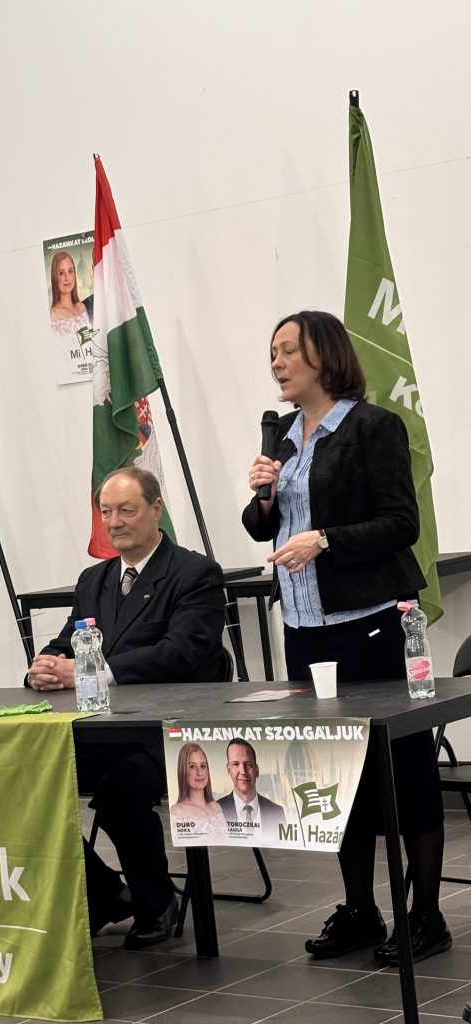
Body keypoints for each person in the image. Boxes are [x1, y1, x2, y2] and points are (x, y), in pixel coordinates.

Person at [243, 310, 450, 965]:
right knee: (331, 775)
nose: (276, 363)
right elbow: (262, 526)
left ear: (325, 356)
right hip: (305, 630)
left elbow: (401, 522)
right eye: (272, 353)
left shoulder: (372, 427)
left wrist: (325, 541)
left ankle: (426, 917)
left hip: (373, 623)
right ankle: (360, 910)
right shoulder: (283, 438)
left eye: (288, 351)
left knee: (405, 768)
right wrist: (264, 497)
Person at [28, 466, 227, 947]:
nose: (114, 522)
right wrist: (45, 665)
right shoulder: (93, 579)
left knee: (121, 789)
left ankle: (157, 903)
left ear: (156, 509)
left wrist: (93, 672)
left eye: (126, 510)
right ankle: (105, 895)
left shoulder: (194, 573)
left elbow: (182, 652)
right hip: (103, 730)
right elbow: (68, 640)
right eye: (106, 512)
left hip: (171, 735)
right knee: (27, 781)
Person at [217, 739, 286, 839]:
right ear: (229, 769)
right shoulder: (215, 811)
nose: (243, 771)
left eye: (248, 765)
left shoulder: (276, 812)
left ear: (256, 770)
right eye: (236, 764)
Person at [170, 742, 227, 839]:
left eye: (203, 766)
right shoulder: (177, 811)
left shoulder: (216, 807)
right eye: (192, 766)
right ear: (183, 771)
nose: (200, 773)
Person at [49, 251, 91, 333]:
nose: (67, 278)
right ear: (55, 277)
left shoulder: (82, 307)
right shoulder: (52, 316)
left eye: (70, 271)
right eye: (61, 273)